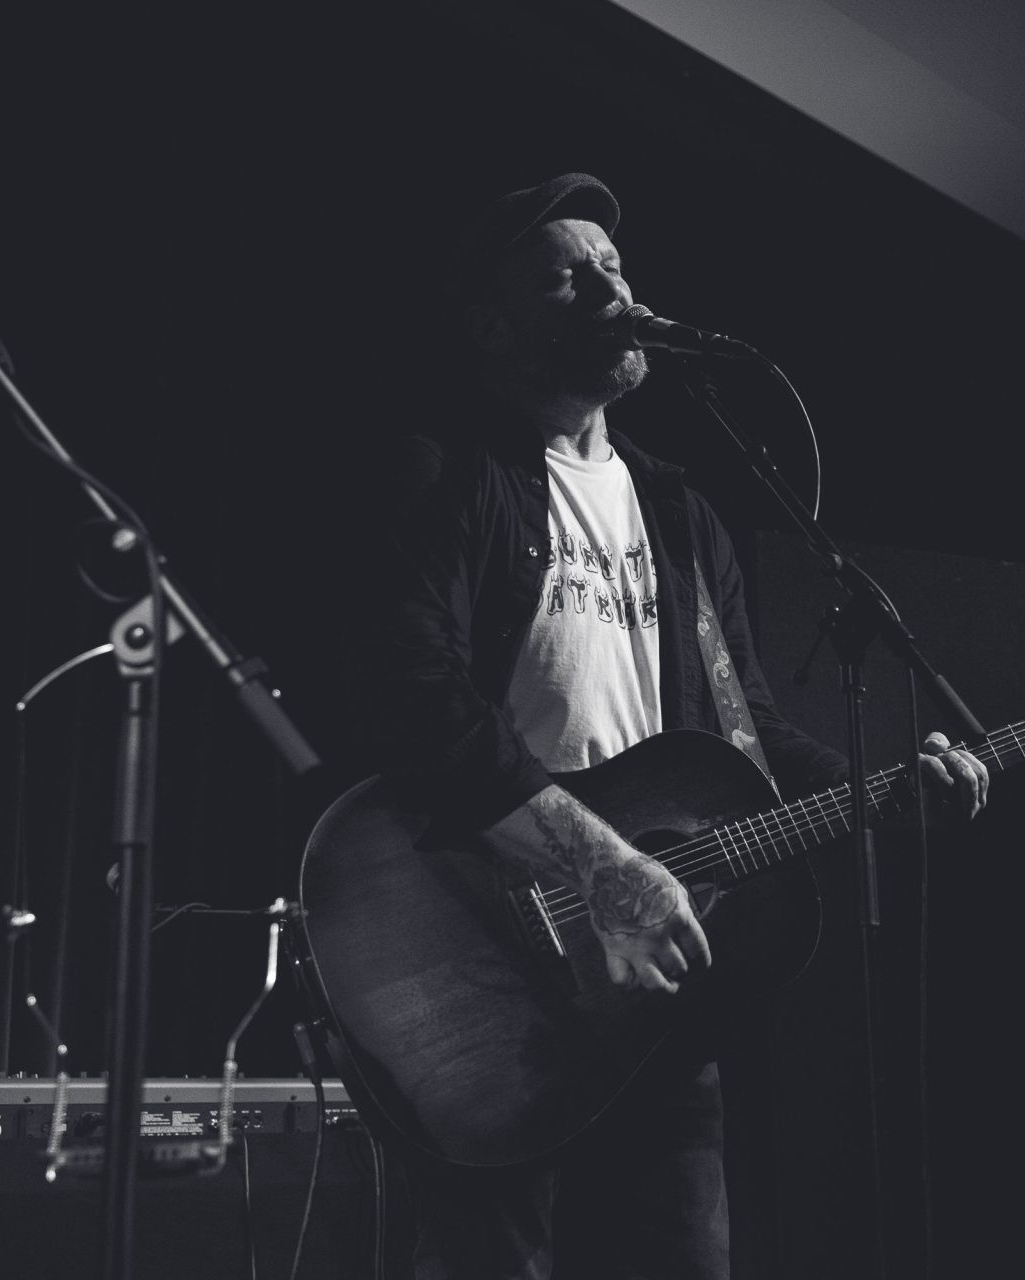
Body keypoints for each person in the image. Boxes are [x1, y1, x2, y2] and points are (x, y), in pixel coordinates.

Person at [356, 172, 990, 1280]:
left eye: (615, 267)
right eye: (569, 276)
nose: (611, 289)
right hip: (487, 950)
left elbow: (748, 734)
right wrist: (602, 865)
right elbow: (416, 701)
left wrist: (885, 786)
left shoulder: (683, 512)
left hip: (653, 985)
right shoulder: (446, 471)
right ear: (493, 327)